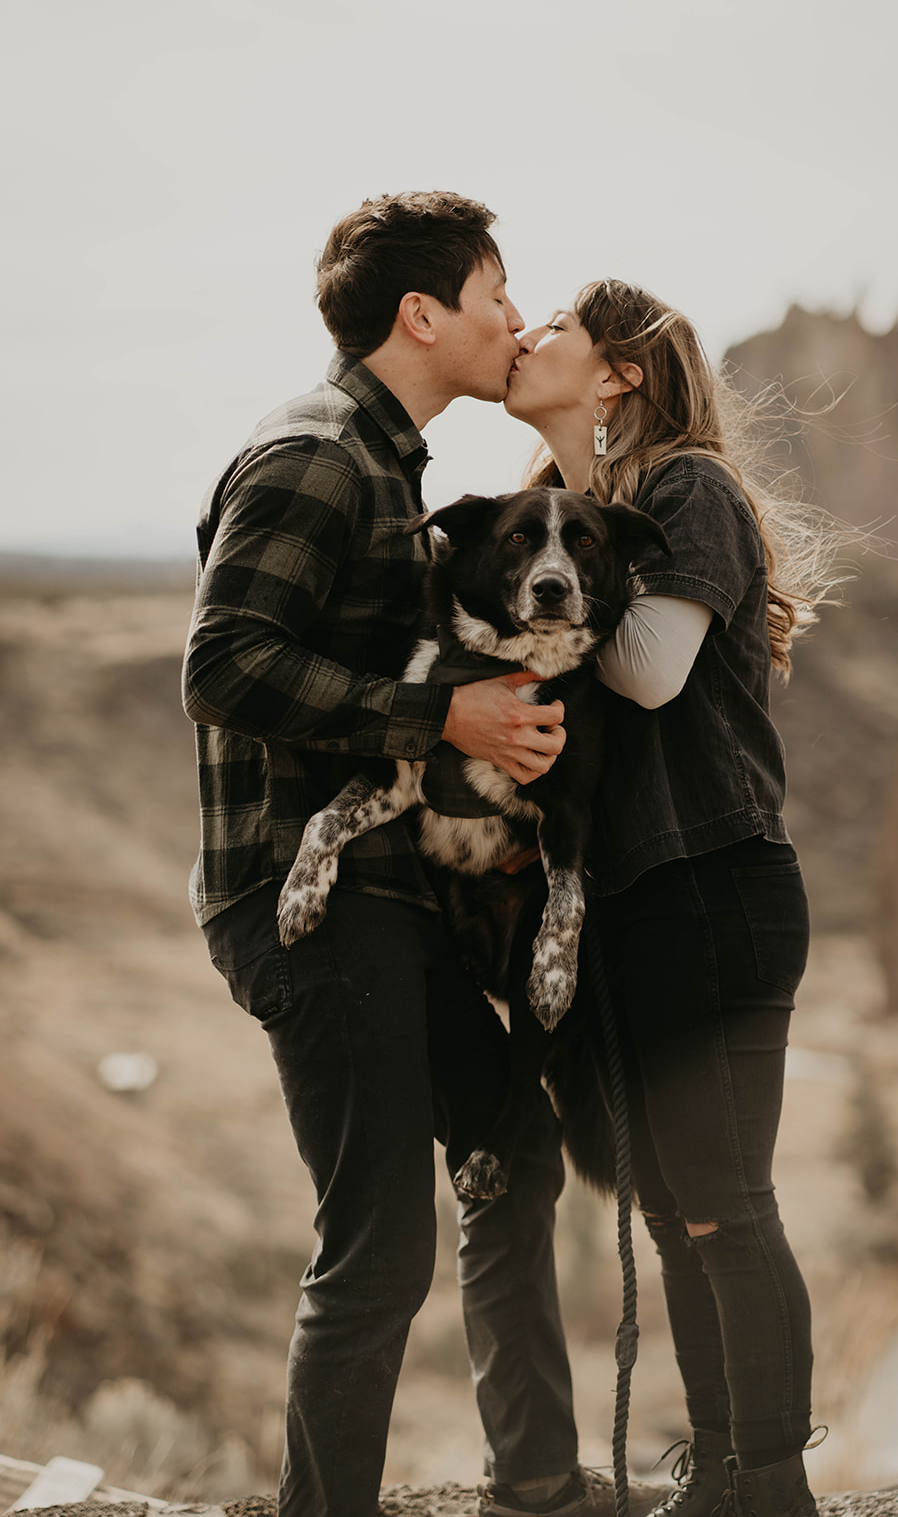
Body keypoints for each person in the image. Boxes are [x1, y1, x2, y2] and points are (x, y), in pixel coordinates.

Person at [181, 194, 624, 1517]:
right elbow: (223, 664)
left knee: (511, 1149)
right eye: (497, 292)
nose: (510, 316)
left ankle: (537, 1480)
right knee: (376, 1251)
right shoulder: (318, 456)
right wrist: (443, 714)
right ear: (422, 315)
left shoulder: (390, 471)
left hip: (390, 906)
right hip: (305, 907)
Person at [504, 280, 836, 1517]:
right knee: (674, 1210)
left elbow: (645, 672)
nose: (525, 337)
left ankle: (770, 1481)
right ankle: (719, 1467)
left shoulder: (682, 489)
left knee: (724, 1205)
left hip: (712, 883)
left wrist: (535, 597)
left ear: (617, 375)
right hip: (641, 902)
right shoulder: (581, 515)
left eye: (552, 331)